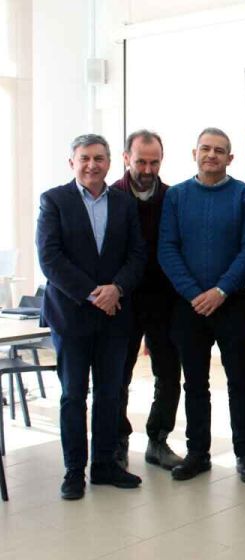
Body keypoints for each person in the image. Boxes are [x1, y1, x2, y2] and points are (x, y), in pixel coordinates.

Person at [36, 133, 147, 500]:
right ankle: (73, 471)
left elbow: (137, 255)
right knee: (73, 395)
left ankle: (104, 465)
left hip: (116, 314)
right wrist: (93, 293)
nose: (92, 165)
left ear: (110, 162)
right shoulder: (54, 200)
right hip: (72, 316)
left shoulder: (123, 203)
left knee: (110, 393)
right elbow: (51, 259)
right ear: (72, 162)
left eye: (99, 158)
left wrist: (116, 289)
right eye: (84, 158)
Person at [158, 127, 245, 484]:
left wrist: (220, 290)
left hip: (231, 304)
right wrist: (194, 293)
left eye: (219, 150)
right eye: (206, 149)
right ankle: (198, 453)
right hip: (188, 307)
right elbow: (167, 248)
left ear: (230, 158)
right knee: (195, 383)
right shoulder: (177, 196)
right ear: (194, 153)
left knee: (239, 383)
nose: (212, 155)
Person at [113, 129, 183, 471]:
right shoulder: (110, 197)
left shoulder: (173, 197)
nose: (147, 169)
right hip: (121, 302)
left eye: (154, 162)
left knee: (169, 374)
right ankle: (118, 439)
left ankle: (158, 440)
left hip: (163, 301)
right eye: (141, 161)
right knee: (117, 375)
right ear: (127, 158)